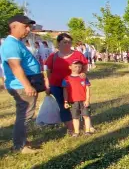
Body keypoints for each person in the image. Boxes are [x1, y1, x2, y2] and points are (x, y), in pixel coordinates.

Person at [1, 15, 43, 154]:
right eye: (25, 26)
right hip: (21, 85)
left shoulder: (17, 42)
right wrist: (27, 86)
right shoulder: (11, 44)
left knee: (25, 115)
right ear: (13, 26)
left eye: (29, 26)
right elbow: (15, 67)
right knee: (24, 116)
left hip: (24, 83)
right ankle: (19, 146)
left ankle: (22, 140)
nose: (28, 29)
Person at [44, 33, 89, 135]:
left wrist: (83, 74)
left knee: (77, 105)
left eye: (69, 42)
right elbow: (48, 72)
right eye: (65, 42)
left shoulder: (78, 55)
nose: (67, 44)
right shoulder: (53, 56)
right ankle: (71, 128)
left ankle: (81, 124)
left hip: (74, 86)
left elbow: (85, 67)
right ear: (58, 43)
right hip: (57, 85)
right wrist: (47, 85)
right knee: (64, 106)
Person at [62, 60, 93, 137]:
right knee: (75, 117)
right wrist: (65, 101)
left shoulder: (84, 77)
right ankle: (76, 132)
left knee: (86, 115)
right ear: (70, 67)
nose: (78, 68)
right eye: (75, 66)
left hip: (83, 101)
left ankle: (88, 131)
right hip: (72, 101)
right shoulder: (66, 79)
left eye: (79, 66)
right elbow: (65, 91)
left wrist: (87, 100)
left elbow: (87, 89)